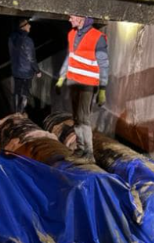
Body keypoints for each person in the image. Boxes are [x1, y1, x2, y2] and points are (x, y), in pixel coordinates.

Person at [56, 15, 109, 160]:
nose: (69, 20)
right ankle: (80, 149)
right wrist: (62, 77)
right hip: (74, 82)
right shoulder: (72, 34)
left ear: (81, 18)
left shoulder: (97, 37)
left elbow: (103, 64)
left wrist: (102, 88)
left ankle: (89, 153)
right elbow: (70, 57)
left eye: (72, 17)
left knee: (84, 118)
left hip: (88, 84)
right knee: (76, 118)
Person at [8, 18, 41, 114]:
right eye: (28, 24)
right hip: (25, 72)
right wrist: (37, 71)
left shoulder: (11, 38)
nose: (30, 26)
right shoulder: (27, 40)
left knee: (17, 91)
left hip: (15, 70)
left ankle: (15, 112)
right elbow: (31, 58)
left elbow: (11, 54)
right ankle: (20, 113)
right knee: (24, 92)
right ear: (23, 27)